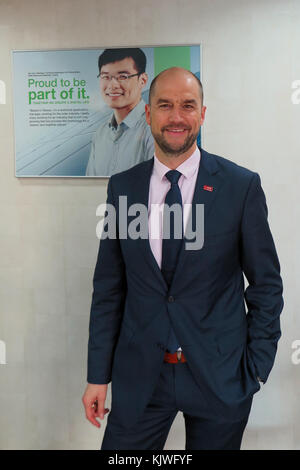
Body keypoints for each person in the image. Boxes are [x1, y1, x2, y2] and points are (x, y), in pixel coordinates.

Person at [82, 67, 284, 450]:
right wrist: (97, 376)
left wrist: (256, 367)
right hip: (141, 375)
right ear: (148, 113)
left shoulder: (240, 187)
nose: (176, 116)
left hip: (220, 377)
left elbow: (266, 285)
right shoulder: (122, 188)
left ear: (202, 114)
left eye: (187, 105)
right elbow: (108, 288)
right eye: (165, 105)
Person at [85, 48, 154, 176]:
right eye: (105, 77)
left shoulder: (154, 129)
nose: (112, 85)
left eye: (122, 76)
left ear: (142, 80)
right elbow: (91, 184)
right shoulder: (100, 134)